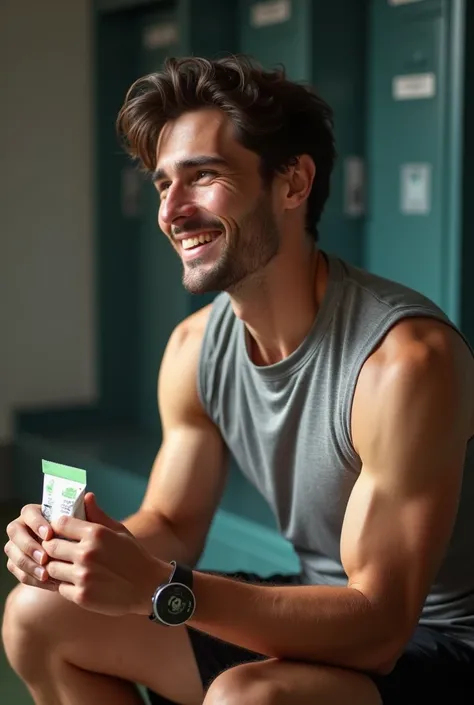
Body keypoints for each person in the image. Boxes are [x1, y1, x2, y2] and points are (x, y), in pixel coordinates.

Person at [3, 54, 474, 705]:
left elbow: (380, 628)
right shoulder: (195, 348)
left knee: (251, 696)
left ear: (292, 183)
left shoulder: (404, 362)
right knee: (37, 613)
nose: (172, 209)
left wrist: (158, 588)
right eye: (164, 183)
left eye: (203, 176)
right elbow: (171, 521)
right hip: (323, 603)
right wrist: (86, 553)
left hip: (438, 640)